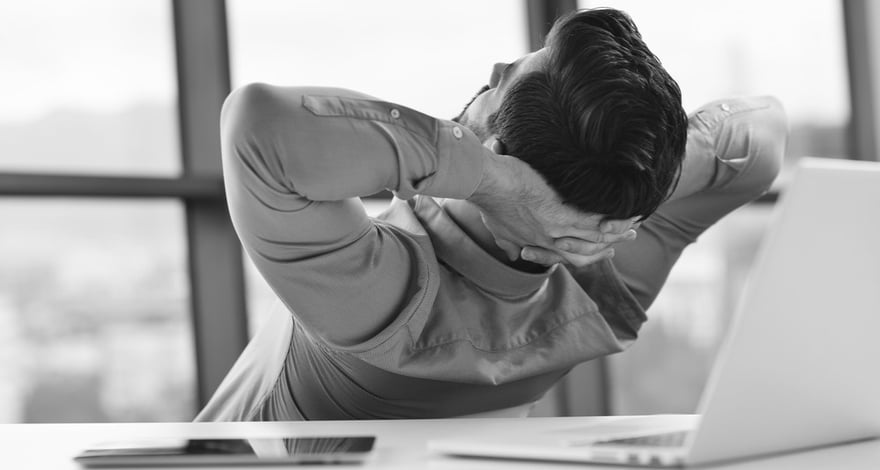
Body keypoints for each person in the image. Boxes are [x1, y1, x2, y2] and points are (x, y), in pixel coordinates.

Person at [196, 8, 787, 421]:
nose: (497, 68)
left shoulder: (384, 293)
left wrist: (495, 184)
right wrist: (629, 189)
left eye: (503, 84)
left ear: (500, 158)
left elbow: (258, 126)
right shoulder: (608, 291)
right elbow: (763, 136)